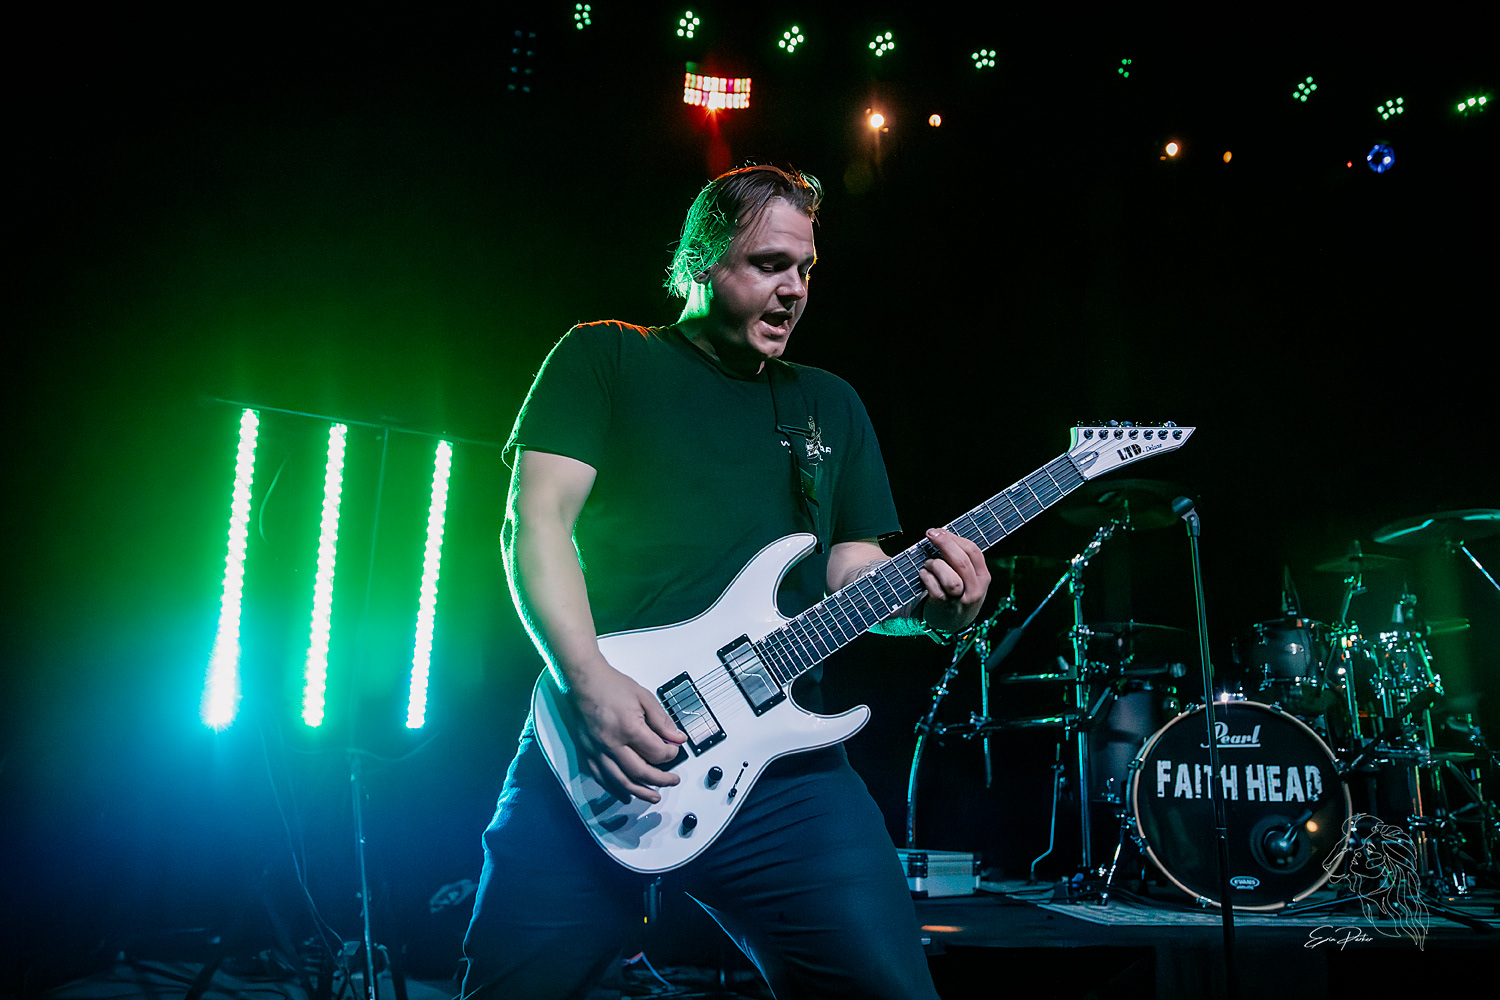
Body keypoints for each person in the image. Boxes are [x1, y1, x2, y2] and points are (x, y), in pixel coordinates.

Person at [461, 165, 990, 999]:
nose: (794, 290)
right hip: (605, 744)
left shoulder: (828, 405)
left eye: (805, 269)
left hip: (783, 776)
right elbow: (536, 523)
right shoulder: (606, 356)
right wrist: (588, 681)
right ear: (701, 263)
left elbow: (851, 572)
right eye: (769, 265)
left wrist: (932, 606)